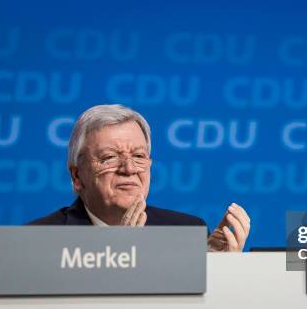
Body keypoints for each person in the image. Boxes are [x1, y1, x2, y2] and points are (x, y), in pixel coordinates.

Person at [28, 104, 250, 252]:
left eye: (139, 156)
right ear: (77, 176)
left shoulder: (187, 232)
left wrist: (215, 272)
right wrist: (116, 256)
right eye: (110, 157)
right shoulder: (39, 241)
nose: (129, 168)